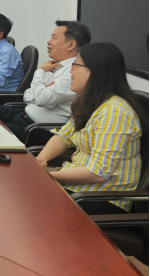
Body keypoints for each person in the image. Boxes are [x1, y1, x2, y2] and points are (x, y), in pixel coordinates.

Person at [36, 43, 144, 215]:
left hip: (101, 199)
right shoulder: (89, 102)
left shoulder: (115, 111)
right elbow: (64, 136)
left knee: (33, 200)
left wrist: (48, 175)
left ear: (96, 71)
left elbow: (98, 173)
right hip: (78, 189)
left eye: (76, 64)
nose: (71, 70)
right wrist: (41, 160)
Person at [0, 21, 92, 144]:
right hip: (23, 114)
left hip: (36, 129)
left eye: (54, 37)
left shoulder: (73, 72)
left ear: (71, 45)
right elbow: (28, 95)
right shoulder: (54, 65)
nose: (49, 42)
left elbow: (42, 99)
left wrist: (40, 72)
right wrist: (41, 90)